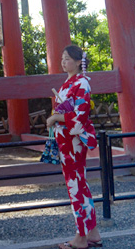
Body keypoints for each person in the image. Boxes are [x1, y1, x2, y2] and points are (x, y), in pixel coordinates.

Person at [46, 45, 102, 249]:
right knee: (81, 185)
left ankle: (81, 237)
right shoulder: (69, 82)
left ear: (79, 62)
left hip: (74, 140)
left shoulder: (82, 83)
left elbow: (80, 115)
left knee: (75, 186)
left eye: (67, 59)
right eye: (62, 58)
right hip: (67, 139)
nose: (63, 62)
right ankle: (92, 232)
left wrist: (55, 117)